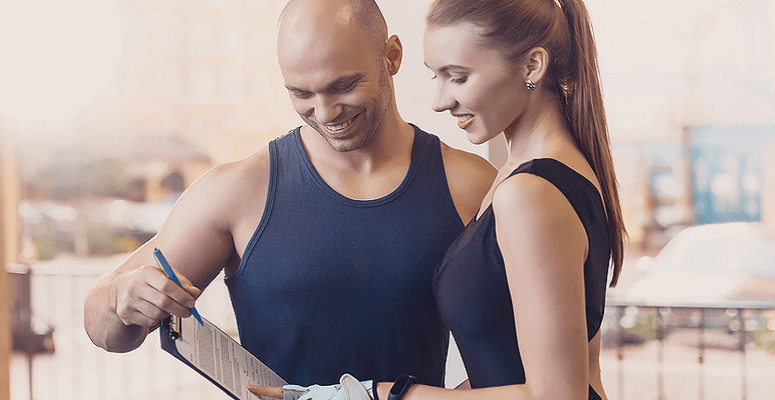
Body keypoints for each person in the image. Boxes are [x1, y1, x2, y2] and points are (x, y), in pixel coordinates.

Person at [83, 0, 497, 389]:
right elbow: (104, 328)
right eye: (301, 94)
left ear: (391, 56)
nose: (325, 112)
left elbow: (522, 363)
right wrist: (123, 298)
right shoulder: (238, 190)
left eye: (344, 86)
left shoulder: (471, 186)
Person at [248, 0, 627, 399]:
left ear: (532, 66)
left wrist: (381, 394)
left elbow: (557, 396)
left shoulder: (528, 193)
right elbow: (522, 370)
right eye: (436, 77)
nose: (440, 101)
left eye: (458, 78)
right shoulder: (549, 172)